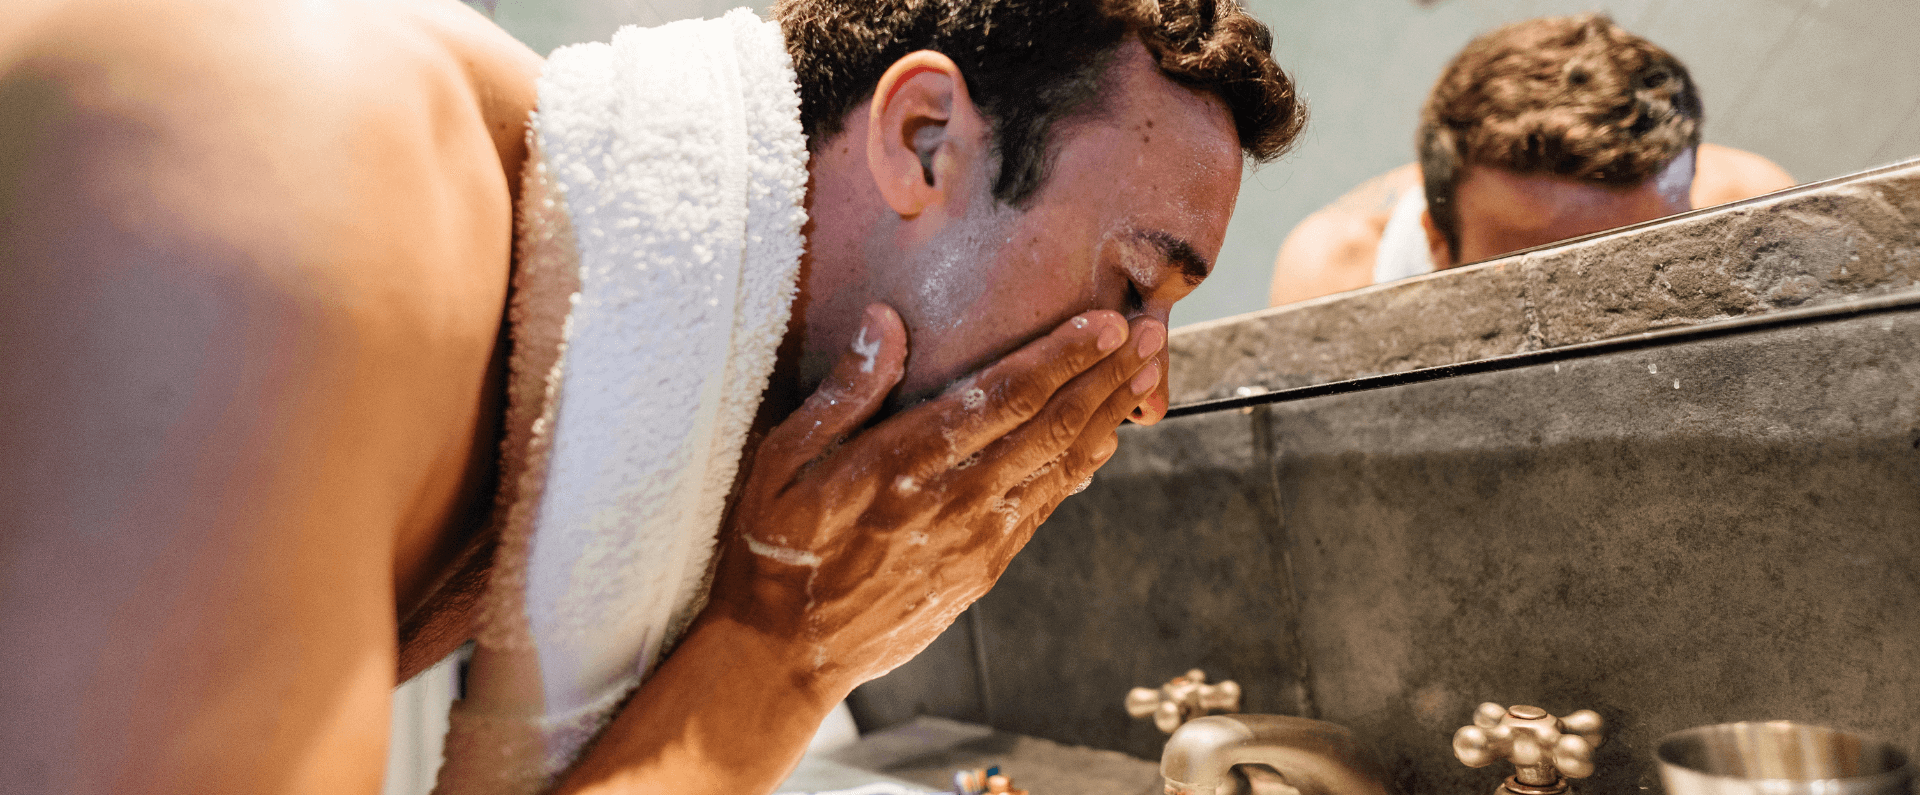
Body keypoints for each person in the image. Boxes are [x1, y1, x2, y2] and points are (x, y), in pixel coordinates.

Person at [0, 0, 1303, 794]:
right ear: (921, 139)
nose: (1140, 395)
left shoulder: (522, 325)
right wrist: (780, 653)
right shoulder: (282, 172)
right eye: (1136, 284)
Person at [1267, 14, 1795, 306]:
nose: (1603, 314)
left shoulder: (1750, 212)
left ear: (1687, 202)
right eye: (1543, 282)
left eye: (1646, 263)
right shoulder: (1340, 278)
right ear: (1437, 243)